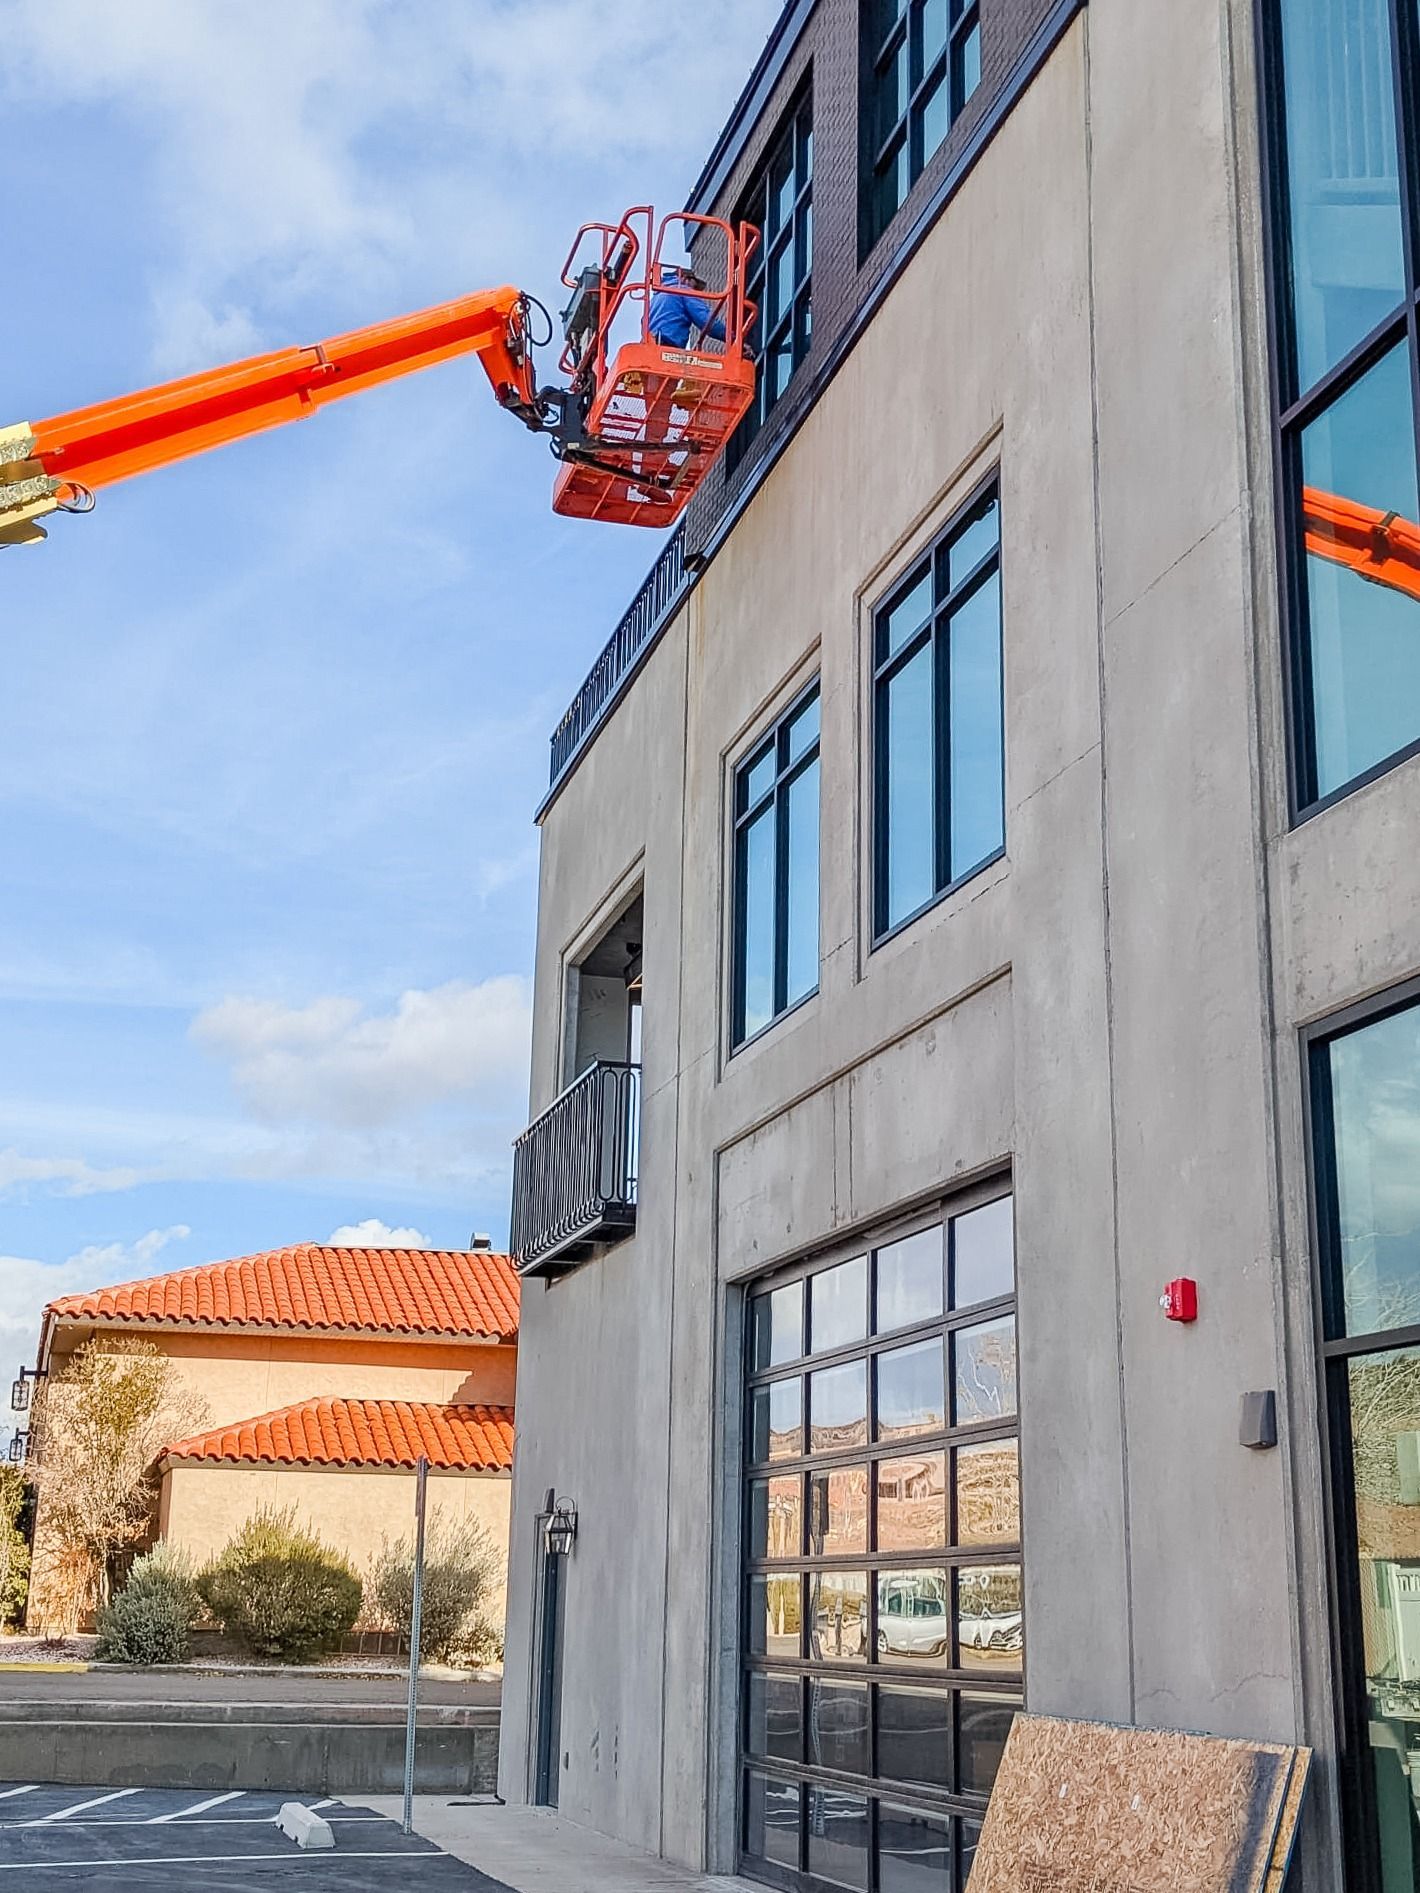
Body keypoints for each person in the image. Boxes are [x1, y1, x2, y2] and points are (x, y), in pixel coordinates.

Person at [648, 265, 726, 349]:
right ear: (685, 278)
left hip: (651, 344)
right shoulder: (683, 290)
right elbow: (705, 320)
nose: (694, 290)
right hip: (667, 345)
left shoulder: (656, 297)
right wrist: (730, 336)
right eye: (694, 286)